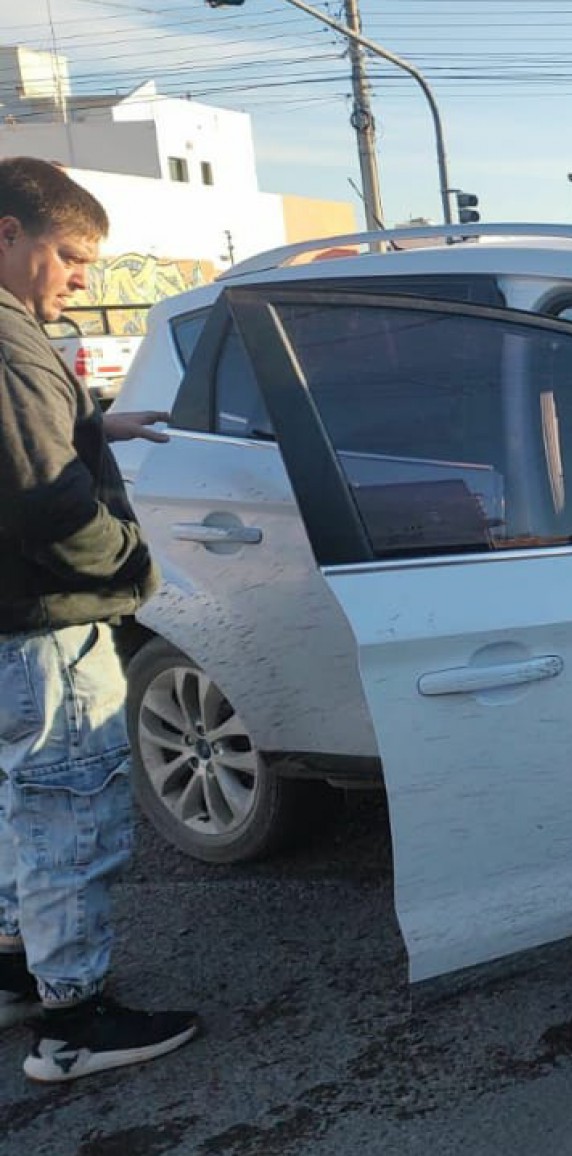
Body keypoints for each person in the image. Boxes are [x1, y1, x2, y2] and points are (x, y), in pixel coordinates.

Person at [0, 156, 197, 1083]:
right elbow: (46, 507)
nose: (83, 279)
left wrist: (90, 424)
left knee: (25, 806)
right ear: (10, 234)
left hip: (15, 621)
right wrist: (134, 563)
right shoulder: (8, 345)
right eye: (73, 257)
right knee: (71, 813)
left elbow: (22, 451)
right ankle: (73, 1023)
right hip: (45, 622)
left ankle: (17, 969)